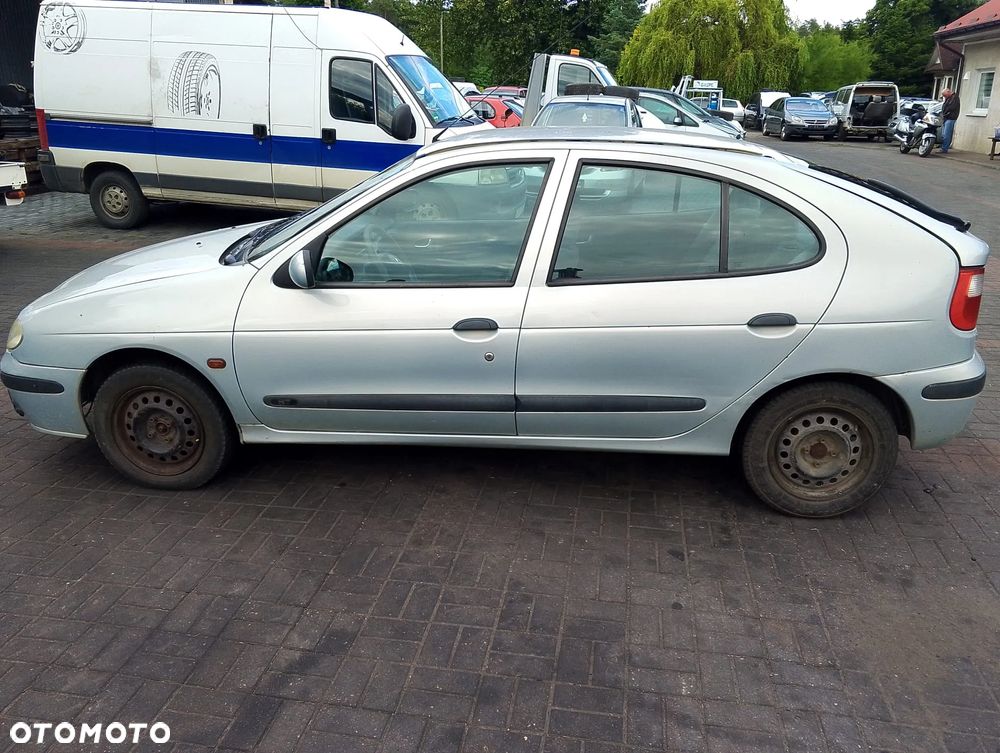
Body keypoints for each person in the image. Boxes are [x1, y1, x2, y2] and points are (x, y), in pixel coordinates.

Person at [940, 88, 960, 154]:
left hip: (951, 118)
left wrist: (945, 112)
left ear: (948, 92)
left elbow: (951, 108)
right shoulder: (949, 98)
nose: (944, 97)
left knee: (946, 134)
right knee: (944, 134)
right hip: (946, 117)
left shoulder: (955, 98)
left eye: (945, 95)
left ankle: (944, 149)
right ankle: (943, 147)